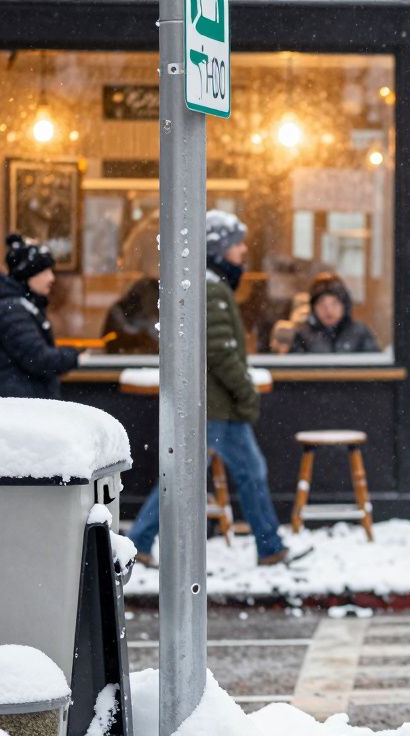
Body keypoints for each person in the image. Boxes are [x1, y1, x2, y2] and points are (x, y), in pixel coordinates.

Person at [128, 210, 291, 567]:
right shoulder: (212, 289)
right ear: (219, 249)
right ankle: (268, 546)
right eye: (237, 244)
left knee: (200, 475)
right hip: (216, 407)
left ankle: (269, 545)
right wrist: (245, 392)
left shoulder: (208, 285)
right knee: (198, 476)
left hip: (214, 405)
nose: (244, 250)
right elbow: (221, 352)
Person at [0, 234, 81, 399]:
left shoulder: (19, 306)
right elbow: (38, 359)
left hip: (18, 403)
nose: (52, 278)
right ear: (29, 274)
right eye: (45, 271)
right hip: (15, 408)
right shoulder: (11, 310)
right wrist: (74, 356)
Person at [289, 274, 380, 353]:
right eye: (322, 304)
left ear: (344, 305)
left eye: (335, 303)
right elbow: (293, 370)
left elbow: (375, 368)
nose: (328, 310)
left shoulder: (360, 333)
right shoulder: (302, 335)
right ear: (313, 308)